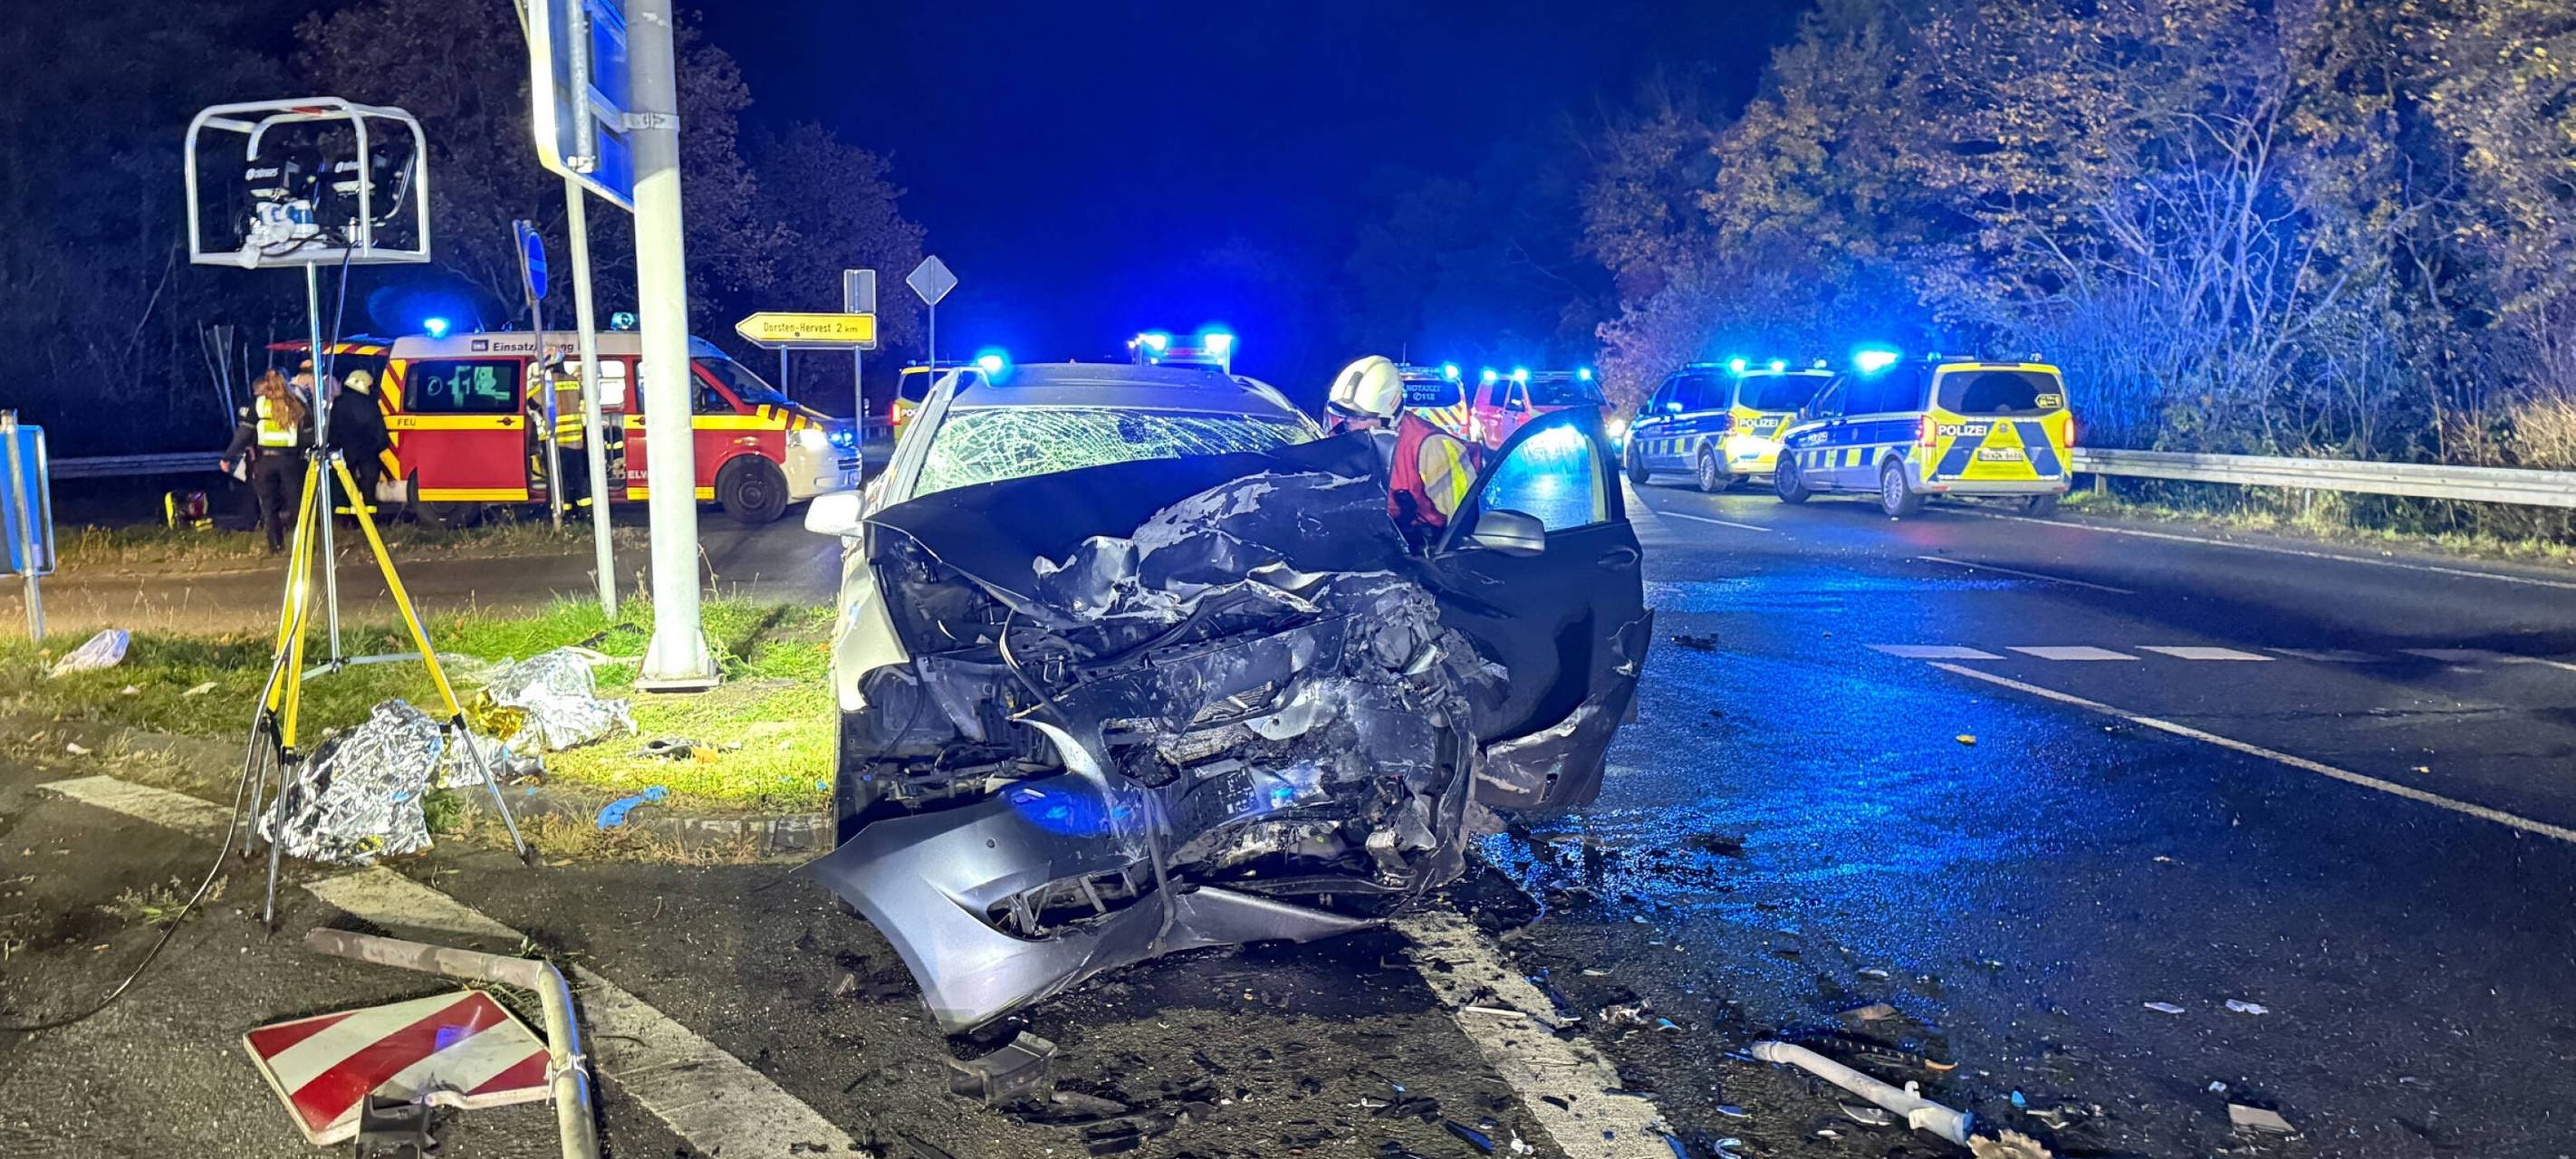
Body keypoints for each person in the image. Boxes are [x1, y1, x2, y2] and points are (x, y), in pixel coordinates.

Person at [219, 369, 312, 553]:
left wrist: (228, 456)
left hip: (264, 462)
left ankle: (275, 546)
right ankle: (303, 546)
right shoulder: (295, 404)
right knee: (296, 505)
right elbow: (308, 435)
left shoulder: (259, 404)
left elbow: (243, 433)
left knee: (269, 506)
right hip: (290, 461)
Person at [1324, 355, 1406, 474]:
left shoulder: (1424, 446)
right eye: (1345, 416)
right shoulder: (1336, 437)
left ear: (1388, 418)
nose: (1349, 422)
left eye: (1360, 418)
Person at [330, 369, 390, 517]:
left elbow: (331, 430)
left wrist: (334, 448)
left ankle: (344, 520)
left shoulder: (338, 403)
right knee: (369, 485)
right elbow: (380, 433)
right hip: (367, 452)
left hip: (343, 453)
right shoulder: (370, 405)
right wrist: (377, 448)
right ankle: (369, 519)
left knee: (343, 486)